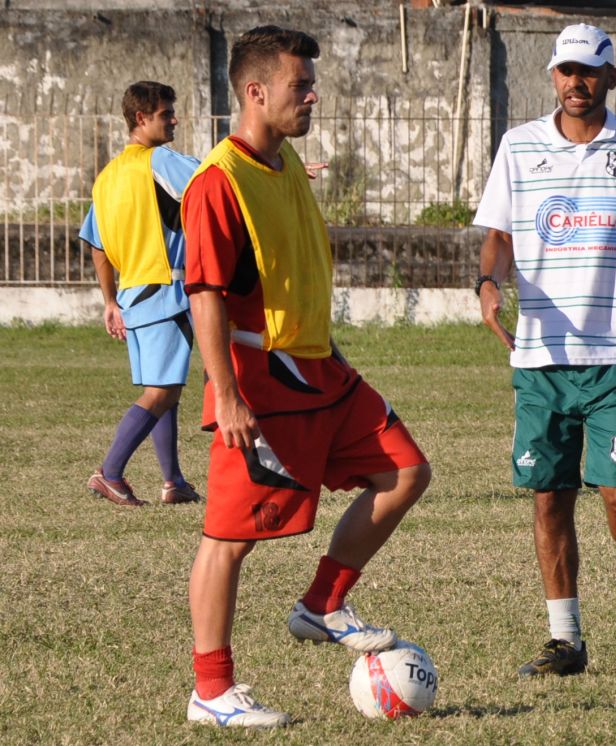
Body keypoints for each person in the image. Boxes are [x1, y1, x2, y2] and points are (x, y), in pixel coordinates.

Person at [180, 26, 430, 728]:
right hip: (264, 382)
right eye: (300, 85)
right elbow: (203, 294)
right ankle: (212, 691)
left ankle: (322, 604)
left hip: (323, 367)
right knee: (229, 539)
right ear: (255, 93)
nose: (313, 94)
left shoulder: (284, 162)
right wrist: (226, 393)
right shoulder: (215, 185)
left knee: (405, 471)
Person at [475, 23, 616, 678]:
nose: (577, 82)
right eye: (567, 71)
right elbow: (498, 237)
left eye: (590, 71)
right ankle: (566, 640)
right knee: (549, 496)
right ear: (553, 76)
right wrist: (488, 283)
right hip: (541, 357)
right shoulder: (518, 148)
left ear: (611, 78)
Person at [80, 81, 203, 507]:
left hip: (133, 294)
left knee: (165, 386)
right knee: (160, 392)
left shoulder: (108, 175)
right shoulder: (160, 160)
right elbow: (214, 181)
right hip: (165, 289)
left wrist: (110, 301)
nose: (174, 120)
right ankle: (109, 472)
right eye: (167, 113)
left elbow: (96, 243)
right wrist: (272, 169)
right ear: (141, 118)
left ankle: (173, 482)